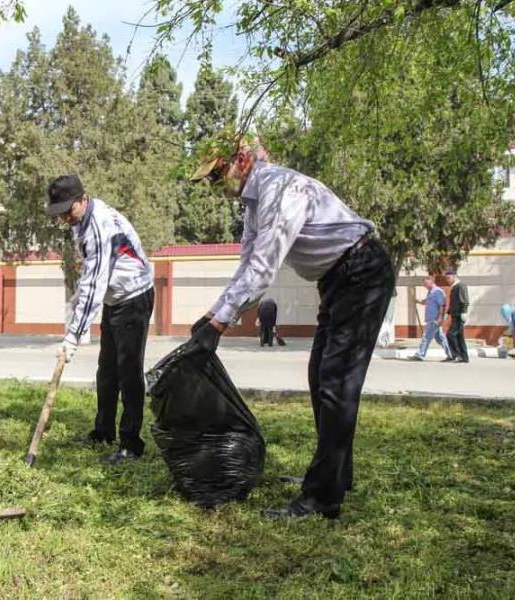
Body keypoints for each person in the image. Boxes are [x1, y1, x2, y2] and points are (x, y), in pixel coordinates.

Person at [189, 138, 395, 519]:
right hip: (337, 280)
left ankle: (322, 498)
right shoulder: (253, 205)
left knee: (336, 384)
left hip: (362, 272)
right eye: (210, 180)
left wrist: (220, 323)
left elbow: (263, 270)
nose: (215, 186)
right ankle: (335, 476)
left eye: (217, 174)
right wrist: (212, 314)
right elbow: (246, 263)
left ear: (242, 160)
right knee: (320, 377)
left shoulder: (278, 189)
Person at [46, 175, 155, 464]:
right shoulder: (81, 221)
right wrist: (77, 299)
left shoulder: (98, 226)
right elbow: (90, 275)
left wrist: (73, 336)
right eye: (60, 213)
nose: (65, 218)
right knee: (107, 370)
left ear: (83, 199)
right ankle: (103, 431)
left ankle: (131, 443)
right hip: (115, 298)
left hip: (133, 297)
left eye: (68, 210)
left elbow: (95, 283)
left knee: (129, 371)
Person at [409, 275, 454, 361]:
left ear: (432, 282)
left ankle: (420, 354)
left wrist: (440, 318)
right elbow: (428, 301)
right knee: (440, 338)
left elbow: (442, 305)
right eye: (424, 284)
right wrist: (418, 301)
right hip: (431, 318)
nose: (424, 286)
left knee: (426, 337)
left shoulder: (438, 291)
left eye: (426, 284)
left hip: (435, 319)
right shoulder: (430, 292)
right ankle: (451, 354)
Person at [445, 270, 470, 363]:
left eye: (449, 278)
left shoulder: (460, 286)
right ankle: (464, 357)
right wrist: (448, 313)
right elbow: (453, 302)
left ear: (454, 276)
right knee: (460, 337)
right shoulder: (454, 287)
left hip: (459, 315)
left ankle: (457, 355)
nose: (447, 280)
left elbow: (464, 299)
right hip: (454, 315)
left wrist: (464, 312)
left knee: (450, 334)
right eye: (446, 278)